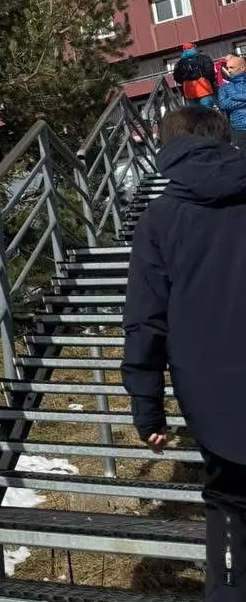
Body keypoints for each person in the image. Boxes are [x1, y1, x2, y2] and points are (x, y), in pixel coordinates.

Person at [123, 105, 246, 600]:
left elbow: (145, 320)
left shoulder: (161, 218)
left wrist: (146, 407)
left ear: (168, 149)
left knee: (225, 504)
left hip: (214, 401)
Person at [173, 41, 218, 107]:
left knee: (195, 114)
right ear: (193, 48)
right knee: (208, 112)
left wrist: (185, 80)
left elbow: (177, 78)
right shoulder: (204, 58)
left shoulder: (179, 63)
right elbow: (210, 72)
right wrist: (205, 78)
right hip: (204, 89)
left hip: (189, 92)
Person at [219, 55, 246, 140]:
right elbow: (223, 104)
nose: (229, 71)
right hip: (238, 128)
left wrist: (234, 98)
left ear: (242, 68)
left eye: (232, 67)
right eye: (227, 68)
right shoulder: (225, 87)